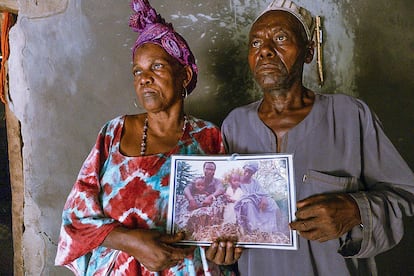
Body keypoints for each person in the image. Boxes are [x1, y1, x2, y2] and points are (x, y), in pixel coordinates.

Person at [220, 0, 414, 275]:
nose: (264, 50)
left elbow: (405, 194)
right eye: (255, 44)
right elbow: (224, 218)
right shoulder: (234, 126)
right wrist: (221, 252)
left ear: (308, 52)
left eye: (280, 38)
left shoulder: (350, 115)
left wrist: (356, 210)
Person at [54, 0, 241, 274]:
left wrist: (224, 252)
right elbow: (75, 216)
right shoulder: (114, 133)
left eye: (157, 67)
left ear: (185, 75)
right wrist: (131, 241)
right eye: (137, 71)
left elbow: (227, 220)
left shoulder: (209, 137)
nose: (144, 79)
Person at [234, 162, 285, 235]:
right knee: (248, 203)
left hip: (255, 199)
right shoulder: (237, 181)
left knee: (271, 203)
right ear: (244, 169)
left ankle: (269, 229)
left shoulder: (255, 182)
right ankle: (254, 229)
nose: (247, 174)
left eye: (250, 172)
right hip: (244, 201)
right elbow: (236, 194)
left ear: (253, 173)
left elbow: (262, 192)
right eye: (246, 171)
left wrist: (263, 198)